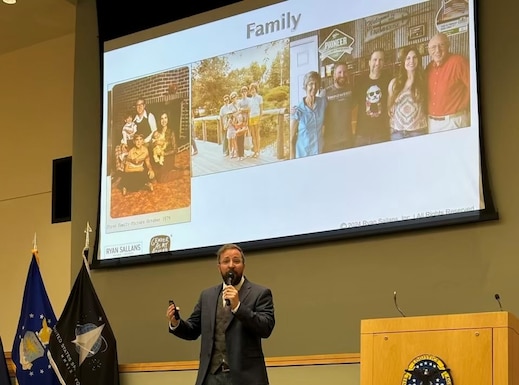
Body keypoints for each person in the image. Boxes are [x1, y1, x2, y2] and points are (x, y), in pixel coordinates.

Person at [166, 243, 275, 385]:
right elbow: (193, 330)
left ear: (243, 265)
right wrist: (176, 323)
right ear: (219, 267)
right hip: (211, 377)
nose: (231, 265)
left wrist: (238, 307)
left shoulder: (260, 293)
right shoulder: (207, 296)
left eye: (236, 261)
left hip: (246, 378)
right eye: (226, 261)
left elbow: (265, 328)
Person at [426, 33, 470, 133]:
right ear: (429, 51)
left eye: (441, 45)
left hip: (454, 122)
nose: (437, 50)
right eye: (433, 47)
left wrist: (464, 106)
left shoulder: (459, 62)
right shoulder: (428, 68)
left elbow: (474, 88)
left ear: (448, 45)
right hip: (432, 124)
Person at [352, 49, 392, 146]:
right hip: (362, 135)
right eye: (375, 60)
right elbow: (350, 105)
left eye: (381, 60)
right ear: (369, 62)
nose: (377, 63)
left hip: (382, 134)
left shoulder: (389, 81)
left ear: (384, 63)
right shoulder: (360, 82)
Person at [387, 46, 428, 140]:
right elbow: (389, 109)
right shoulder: (394, 83)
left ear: (418, 60)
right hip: (397, 133)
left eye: (414, 57)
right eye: (408, 58)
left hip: (418, 132)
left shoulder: (424, 80)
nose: (411, 61)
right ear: (403, 61)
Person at [290, 71, 326, 159]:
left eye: (316, 84)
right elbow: (291, 139)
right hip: (304, 155)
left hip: (320, 152)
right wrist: (291, 160)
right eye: (311, 84)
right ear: (305, 86)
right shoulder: (297, 110)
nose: (314, 87)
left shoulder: (323, 103)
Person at [322, 62, 354, 152]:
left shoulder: (351, 90)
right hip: (330, 143)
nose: (342, 75)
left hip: (348, 140)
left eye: (345, 72)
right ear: (334, 75)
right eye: (339, 72)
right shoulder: (325, 93)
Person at [248, 83, 263, 158]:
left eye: (253, 89)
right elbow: (249, 110)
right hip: (251, 117)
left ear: (256, 89)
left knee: (257, 135)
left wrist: (260, 118)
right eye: (251, 90)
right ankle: (255, 150)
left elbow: (261, 109)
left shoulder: (259, 97)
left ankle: (258, 151)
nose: (252, 91)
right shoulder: (250, 100)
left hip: (257, 117)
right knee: (253, 136)